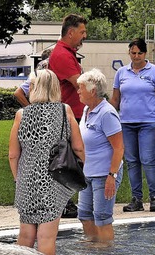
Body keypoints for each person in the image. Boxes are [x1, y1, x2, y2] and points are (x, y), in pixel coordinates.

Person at [9, 69, 84, 255]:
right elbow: (78, 148)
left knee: (25, 234)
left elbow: (13, 154)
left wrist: (18, 178)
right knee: (46, 237)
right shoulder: (64, 110)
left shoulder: (21, 114)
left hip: (26, 181)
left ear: (35, 88)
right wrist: (80, 166)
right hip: (54, 180)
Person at [110, 38, 155, 212]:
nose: (136, 57)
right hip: (126, 122)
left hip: (149, 122)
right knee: (132, 161)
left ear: (145, 53)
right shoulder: (121, 73)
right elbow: (115, 99)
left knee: (148, 160)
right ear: (129, 53)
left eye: (139, 53)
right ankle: (136, 199)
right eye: (133, 53)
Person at [76, 69, 124, 244]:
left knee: (102, 217)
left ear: (93, 90)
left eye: (81, 88)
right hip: (88, 173)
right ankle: (93, 250)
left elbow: (119, 148)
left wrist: (112, 176)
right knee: (84, 215)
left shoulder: (107, 113)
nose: (78, 91)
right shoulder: (87, 110)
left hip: (104, 175)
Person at [48, 14, 87, 219]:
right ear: (70, 32)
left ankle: (65, 201)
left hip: (70, 113)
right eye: (81, 32)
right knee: (67, 160)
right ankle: (64, 202)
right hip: (67, 114)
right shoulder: (62, 54)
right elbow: (79, 84)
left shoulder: (67, 53)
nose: (84, 36)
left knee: (68, 159)